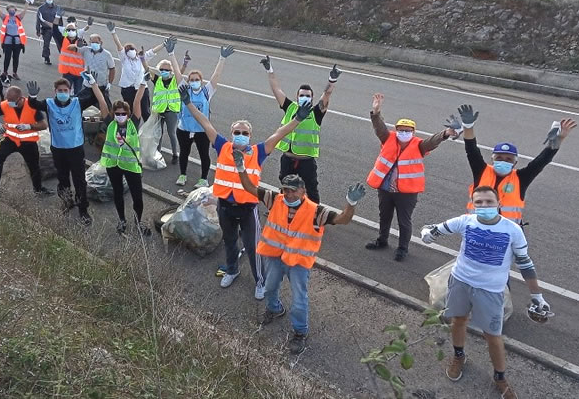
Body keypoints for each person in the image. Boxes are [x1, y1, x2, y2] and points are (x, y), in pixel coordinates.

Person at [420, 185, 553, 399]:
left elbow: (525, 263)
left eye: (489, 202)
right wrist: (427, 234)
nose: (483, 206)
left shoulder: (512, 230)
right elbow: (436, 229)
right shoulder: (465, 221)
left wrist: (536, 295)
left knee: (493, 335)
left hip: (490, 291)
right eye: (478, 202)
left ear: (499, 204)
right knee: (459, 321)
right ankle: (459, 357)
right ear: (473, 204)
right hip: (460, 282)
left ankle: (500, 377)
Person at [180, 85, 310, 299]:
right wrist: (188, 103)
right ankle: (232, 270)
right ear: (231, 134)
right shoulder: (222, 146)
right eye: (237, 132)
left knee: (253, 247)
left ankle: (260, 281)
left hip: (248, 209)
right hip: (225, 208)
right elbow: (205, 122)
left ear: (250, 135)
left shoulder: (259, 152)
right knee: (230, 242)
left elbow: (280, 133)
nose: (240, 135)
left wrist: (297, 119)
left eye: (245, 133)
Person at [254, 174, 366, 355]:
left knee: (299, 300)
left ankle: (300, 332)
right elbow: (250, 188)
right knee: (269, 288)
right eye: (286, 190)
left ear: (303, 191)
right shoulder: (276, 199)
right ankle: (274, 309)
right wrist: (241, 168)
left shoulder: (316, 212)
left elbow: (343, 219)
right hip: (275, 256)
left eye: (293, 190)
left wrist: (350, 204)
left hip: (298, 263)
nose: (289, 194)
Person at [365, 92, 458, 261]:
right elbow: (379, 127)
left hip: (406, 193)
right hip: (385, 188)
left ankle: (402, 249)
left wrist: (445, 133)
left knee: (404, 221)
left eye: (408, 131)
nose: (404, 133)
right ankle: (382, 240)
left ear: (413, 132)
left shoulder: (419, 145)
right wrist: (376, 112)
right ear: (396, 130)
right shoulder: (388, 138)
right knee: (384, 216)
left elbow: (433, 141)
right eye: (401, 130)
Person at [449, 104, 576, 224]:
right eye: (499, 157)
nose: (503, 161)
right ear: (492, 160)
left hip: (506, 235)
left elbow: (542, 161)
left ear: (515, 163)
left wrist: (559, 138)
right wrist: (468, 126)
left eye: (508, 159)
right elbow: (471, 150)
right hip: (476, 228)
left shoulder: (521, 178)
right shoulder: (482, 171)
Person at [26, 73, 108, 226]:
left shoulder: (77, 102)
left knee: (79, 181)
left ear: (70, 91)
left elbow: (95, 98)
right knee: (63, 179)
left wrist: (93, 85)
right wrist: (32, 96)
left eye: (65, 90)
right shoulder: (49, 103)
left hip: (75, 149)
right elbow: (34, 105)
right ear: (55, 91)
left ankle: (83, 209)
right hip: (58, 149)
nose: (63, 93)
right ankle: (66, 201)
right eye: (60, 90)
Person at [260, 55, 342, 204]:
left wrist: (332, 80)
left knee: (311, 190)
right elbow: (275, 88)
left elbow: (327, 94)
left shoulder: (317, 112)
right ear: (297, 97)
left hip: (306, 161)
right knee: (285, 188)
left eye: (308, 96)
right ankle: (282, 210)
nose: (305, 97)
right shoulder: (290, 107)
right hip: (288, 158)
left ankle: (315, 216)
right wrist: (269, 69)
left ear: (312, 98)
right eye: (302, 95)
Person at [170, 41, 235, 189]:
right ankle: (182, 174)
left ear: (201, 81)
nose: (194, 82)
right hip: (184, 129)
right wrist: (171, 54)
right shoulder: (184, 89)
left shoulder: (207, 91)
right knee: (184, 153)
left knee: (204, 155)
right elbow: (176, 72)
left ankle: (203, 178)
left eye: (196, 79)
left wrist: (222, 59)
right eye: (191, 80)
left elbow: (216, 75)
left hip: (201, 131)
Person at [102, 78, 150, 236]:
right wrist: (94, 85)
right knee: (118, 192)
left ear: (128, 114)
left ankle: (138, 221)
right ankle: (122, 220)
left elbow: (137, 101)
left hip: (131, 166)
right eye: (117, 114)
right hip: (113, 165)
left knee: (137, 196)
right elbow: (102, 102)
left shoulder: (133, 123)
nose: (120, 116)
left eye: (123, 113)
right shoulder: (110, 123)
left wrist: (143, 83)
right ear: (113, 114)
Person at [0, 85, 50, 196]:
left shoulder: (32, 106)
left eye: (12, 101)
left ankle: (38, 190)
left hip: (28, 142)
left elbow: (44, 125)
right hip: (10, 139)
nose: (9, 103)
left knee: (34, 166)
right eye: (7, 100)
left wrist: (29, 126)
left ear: (21, 98)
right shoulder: (5, 105)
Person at [107, 21, 164, 124]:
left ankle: (149, 132)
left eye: (132, 49)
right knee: (131, 113)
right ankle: (133, 133)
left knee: (145, 112)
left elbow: (153, 51)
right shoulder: (124, 59)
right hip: (128, 89)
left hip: (141, 88)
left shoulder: (141, 58)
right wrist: (113, 32)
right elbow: (119, 45)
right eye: (128, 49)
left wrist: (164, 44)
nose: (130, 51)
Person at [150, 52, 181, 166]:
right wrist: (143, 58)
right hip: (159, 110)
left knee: (171, 133)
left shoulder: (174, 80)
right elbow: (146, 69)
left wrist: (185, 63)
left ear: (171, 71)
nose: (164, 71)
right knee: (158, 133)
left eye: (167, 69)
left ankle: (175, 154)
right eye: (162, 69)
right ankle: (158, 154)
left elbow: (179, 71)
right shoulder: (157, 79)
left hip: (171, 111)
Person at [0, 0, 29, 80]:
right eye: (10, 9)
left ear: (15, 10)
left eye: (13, 9)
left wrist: (27, 2)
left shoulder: (18, 18)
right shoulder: (5, 18)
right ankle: (5, 72)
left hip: (17, 42)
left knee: (16, 58)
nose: (12, 10)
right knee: (7, 57)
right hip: (7, 41)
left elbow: (25, 10)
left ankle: (15, 73)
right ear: (8, 11)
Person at [79, 33, 116, 113]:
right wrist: (79, 42)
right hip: (87, 86)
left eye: (96, 43)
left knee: (106, 108)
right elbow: (73, 48)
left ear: (101, 43)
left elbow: (112, 69)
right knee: (80, 106)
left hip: (101, 86)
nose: (94, 44)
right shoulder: (85, 50)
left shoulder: (107, 55)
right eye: (92, 42)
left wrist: (109, 83)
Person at [58, 18, 92, 94]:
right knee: (65, 92)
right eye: (69, 30)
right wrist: (57, 17)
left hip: (79, 73)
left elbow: (87, 53)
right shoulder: (64, 39)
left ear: (76, 31)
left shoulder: (81, 41)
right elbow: (62, 33)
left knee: (78, 94)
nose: (71, 31)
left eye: (73, 30)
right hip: (67, 72)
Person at [37, 0, 64, 65]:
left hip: (56, 29)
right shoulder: (41, 9)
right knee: (46, 44)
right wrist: (38, 31)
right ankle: (46, 57)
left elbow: (60, 20)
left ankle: (63, 58)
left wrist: (62, 31)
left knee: (60, 44)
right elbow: (38, 20)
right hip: (46, 29)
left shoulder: (57, 8)